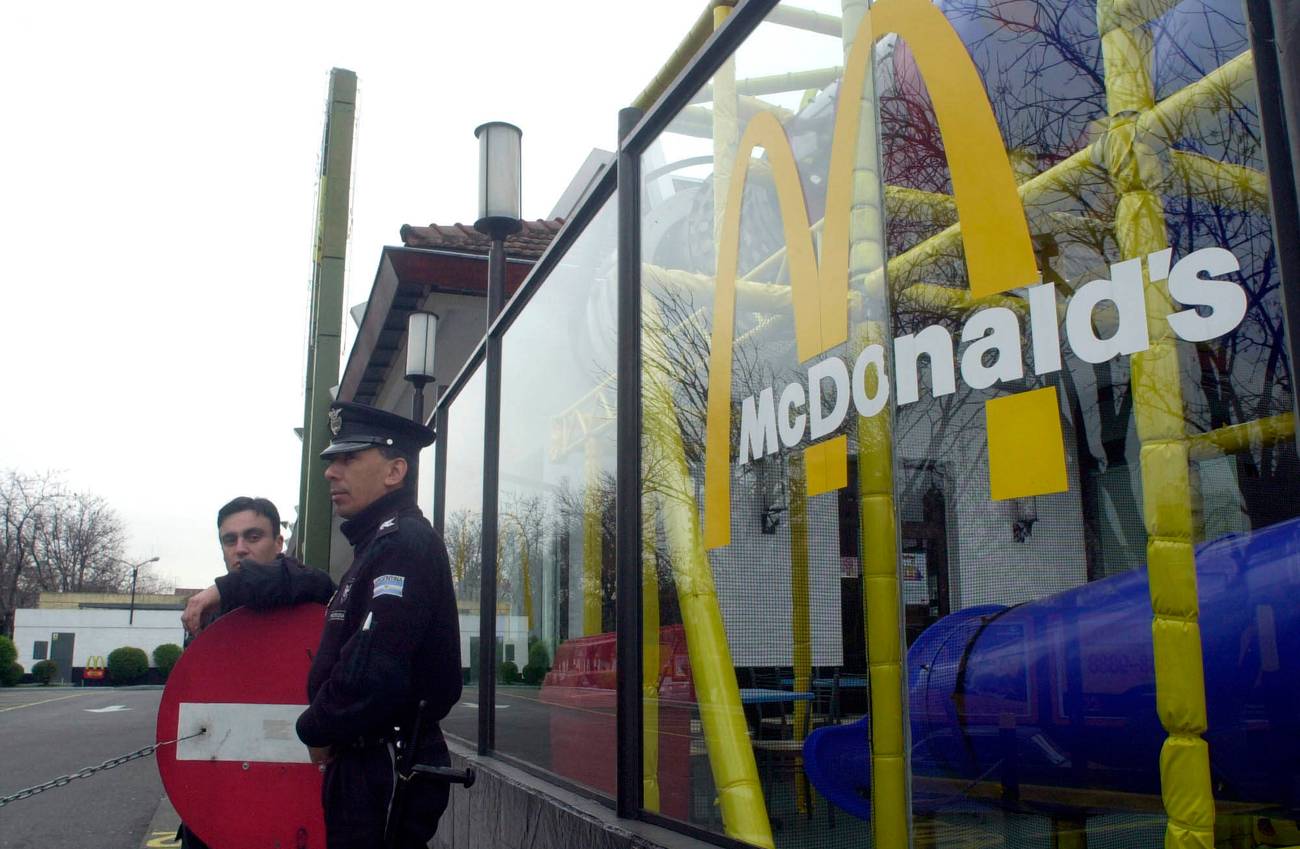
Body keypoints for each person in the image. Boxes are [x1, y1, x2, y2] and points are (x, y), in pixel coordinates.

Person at [295, 401, 462, 849]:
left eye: (349, 458)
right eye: (333, 460)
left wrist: (316, 727)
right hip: (366, 759)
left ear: (394, 472)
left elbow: (373, 667)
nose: (332, 471)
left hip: (383, 759)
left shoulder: (402, 542)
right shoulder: (376, 545)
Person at [177, 496, 335, 849]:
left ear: (279, 544)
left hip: (293, 801)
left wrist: (223, 589)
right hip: (219, 799)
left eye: (253, 537)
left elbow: (310, 581)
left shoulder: (305, 590)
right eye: (229, 540)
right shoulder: (209, 616)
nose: (241, 549)